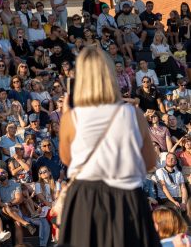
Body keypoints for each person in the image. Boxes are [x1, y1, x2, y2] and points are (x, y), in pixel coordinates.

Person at [58, 44, 159, 246]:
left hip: (84, 200)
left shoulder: (72, 117)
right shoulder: (134, 114)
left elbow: (67, 159)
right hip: (127, 199)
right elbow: (149, 162)